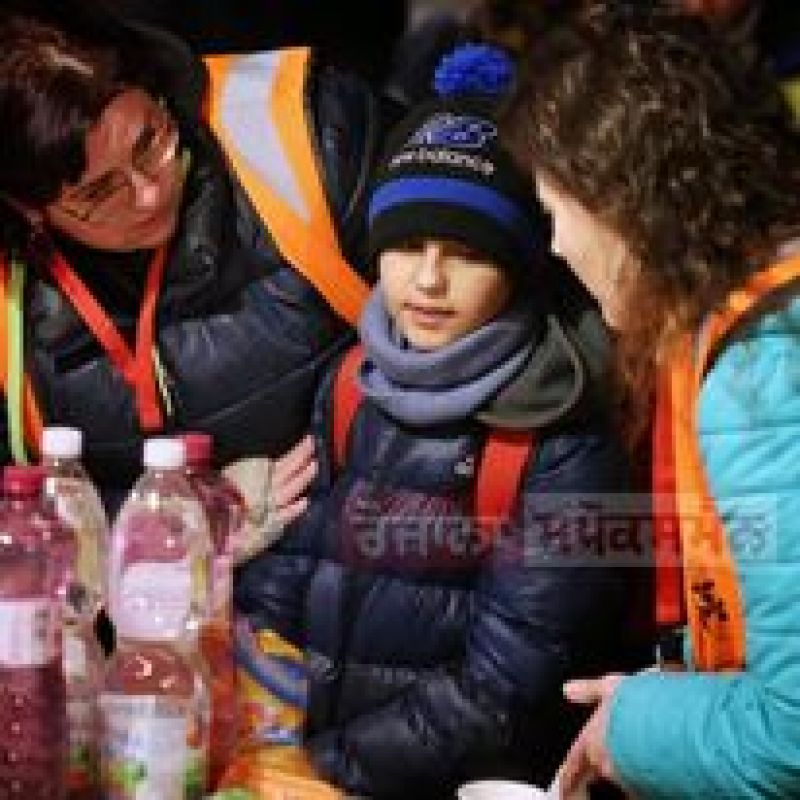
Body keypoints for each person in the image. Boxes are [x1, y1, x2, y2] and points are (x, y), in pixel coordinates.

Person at [234, 79, 643, 798]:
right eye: (406, 245)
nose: (427, 279)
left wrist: (323, 769)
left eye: (465, 253)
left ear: (518, 267)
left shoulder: (563, 432)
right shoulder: (353, 380)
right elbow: (295, 562)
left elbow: (505, 685)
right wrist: (252, 710)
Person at [501, 3, 800, 797]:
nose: (558, 245)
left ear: (628, 203)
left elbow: (795, 734)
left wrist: (631, 726)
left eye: (555, 209)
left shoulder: (763, 378)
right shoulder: (758, 310)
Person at [0, 0, 380, 515]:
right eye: (98, 193)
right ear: (29, 211)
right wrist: (170, 525)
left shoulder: (304, 137)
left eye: (150, 140)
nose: (149, 194)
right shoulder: (10, 303)